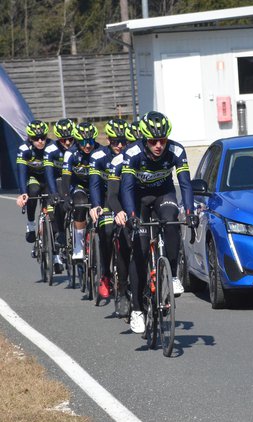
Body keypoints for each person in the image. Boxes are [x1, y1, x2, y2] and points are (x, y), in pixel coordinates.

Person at [120, 111, 198, 334]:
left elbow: (185, 184)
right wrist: (132, 215)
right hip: (139, 199)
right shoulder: (132, 152)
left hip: (164, 195)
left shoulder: (176, 150)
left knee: (172, 221)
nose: (158, 146)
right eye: (153, 141)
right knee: (141, 250)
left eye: (162, 140)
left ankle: (172, 275)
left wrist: (190, 211)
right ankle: (137, 309)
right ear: (144, 139)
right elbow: (125, 187)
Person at [89, 119, 131, 306]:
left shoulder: (129, 156)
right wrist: (96, 205)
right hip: (107, 198)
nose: (120, 145)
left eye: (123, 141)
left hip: (126, 198)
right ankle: (105, 274)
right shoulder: (98, 156)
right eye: (115, 141)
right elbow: (95, 184)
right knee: (106, 232)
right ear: (107, 139)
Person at [61, 122, 101, 260]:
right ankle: (79, 244)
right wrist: (66, 197)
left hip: (96, 186)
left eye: (90, 141)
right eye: (84, 142)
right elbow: (65, 177)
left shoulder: (100, 152)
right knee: (80, 203)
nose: (88, 145)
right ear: (77, 141)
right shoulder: (70, 153)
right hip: (78, 186)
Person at [44, 118, 77, 273]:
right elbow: (49, 174)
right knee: (56, 203)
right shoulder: (51, 150)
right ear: (58, 138)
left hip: (73, 180)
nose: (68, 142)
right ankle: (60, 234)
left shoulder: (78, 148)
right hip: (56, 180)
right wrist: (54, 194)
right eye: (64, 140)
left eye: (71, 139)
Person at [16, 120, 54, 244]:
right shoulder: (24, 149)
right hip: (32, 177)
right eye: (36, 138)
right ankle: (31, 223)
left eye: (43, 137)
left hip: (48, 178)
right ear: (29, 138)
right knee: (33, 190)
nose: (40, 141)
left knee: (51, 203)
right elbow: (21, 173)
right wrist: (23, 193)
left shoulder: (52, 146)